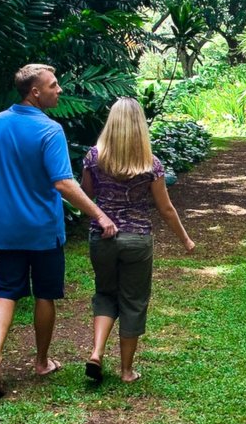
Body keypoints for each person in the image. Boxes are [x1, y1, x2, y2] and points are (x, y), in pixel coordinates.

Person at [0, 63, 118, 399]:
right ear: (35, 92)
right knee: (45, 295)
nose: (59, 90)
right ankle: (41, 361)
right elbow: (63, 183)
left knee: (5, 292)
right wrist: (100, 215)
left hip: (6, 228)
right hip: (42, 229)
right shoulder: (50, 130)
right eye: (53, 86)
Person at [81, 97, 195, 384]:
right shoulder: (150, 163)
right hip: (137, 239)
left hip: (102, 238)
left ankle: (96, 353)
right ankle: (126, 370)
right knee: (133, 301)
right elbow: (165, 208)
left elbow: (85, 195)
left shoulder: (94, 157)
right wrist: (185, 239)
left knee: (105, 294)